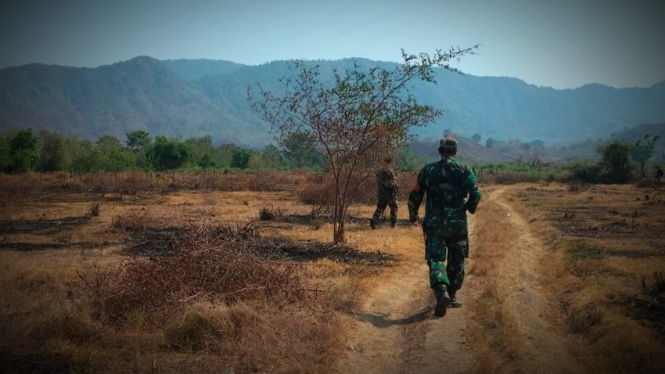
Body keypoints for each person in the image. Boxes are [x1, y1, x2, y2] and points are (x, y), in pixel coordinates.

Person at [408, 137, 481, 317]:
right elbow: (476, 192)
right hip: (458, 223)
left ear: (440, 151)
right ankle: (453, 295)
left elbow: (416, 194)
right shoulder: (465, 170)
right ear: (455, 152)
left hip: (435, 223)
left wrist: (413, 214)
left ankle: (442, 292)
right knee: (457, 258)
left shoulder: (428, 170)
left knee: (436, 258)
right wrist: (469, 208)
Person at [370, 158, 399, 229]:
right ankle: (394, 224)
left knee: (380, 208)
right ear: (389, 163)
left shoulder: (379, 172)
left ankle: (374, 220)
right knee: (394, 208)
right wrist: (395, 192)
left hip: (381, 193)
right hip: (389, 194)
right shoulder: (390, 172)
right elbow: (393, 184)